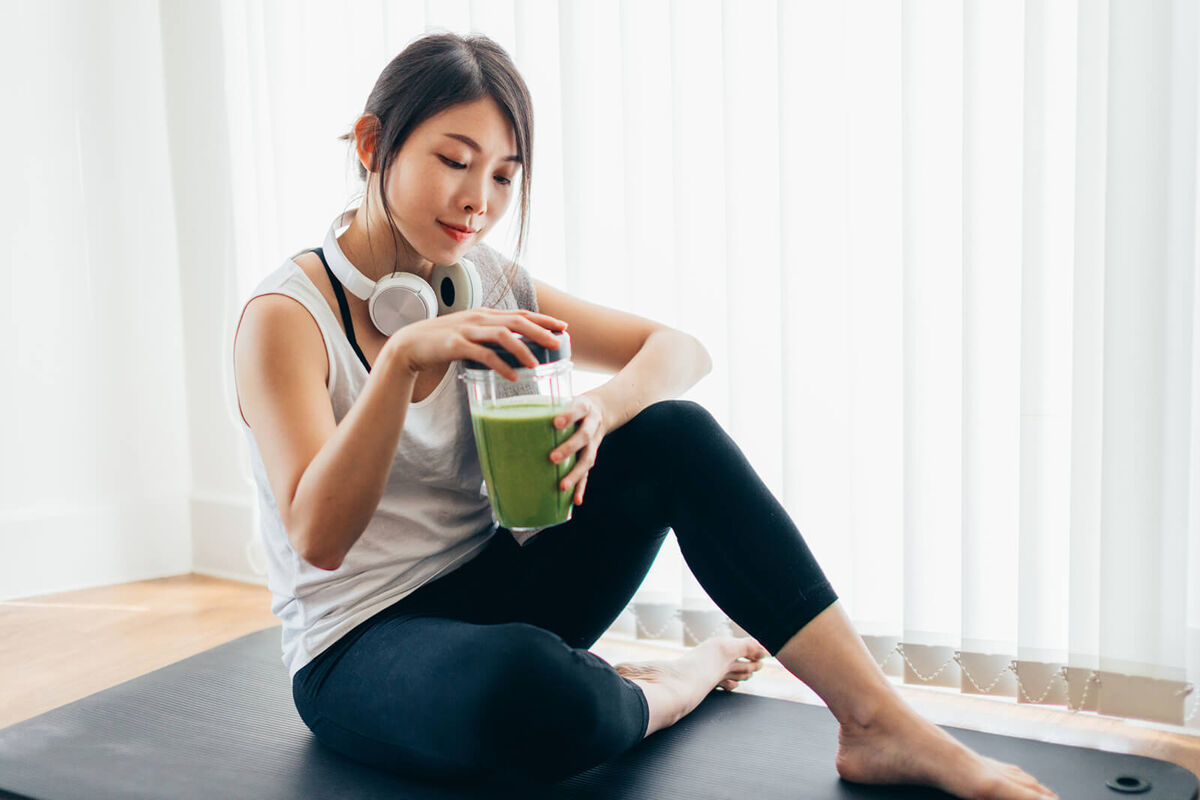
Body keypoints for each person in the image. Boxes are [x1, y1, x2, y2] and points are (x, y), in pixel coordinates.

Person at [231, 32, 1057, 799]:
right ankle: (672, 683)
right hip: (360, 647)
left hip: (496, 586)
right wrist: (409, 357)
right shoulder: (286, 317)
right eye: (455, 160)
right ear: (374, 146)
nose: (478, 199)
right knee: (529, 688)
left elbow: (679, 348)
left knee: (672, 434)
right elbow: (319, 538)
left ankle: (877, 721)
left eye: (505, 175)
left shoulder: (485, 275)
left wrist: (599, 408)